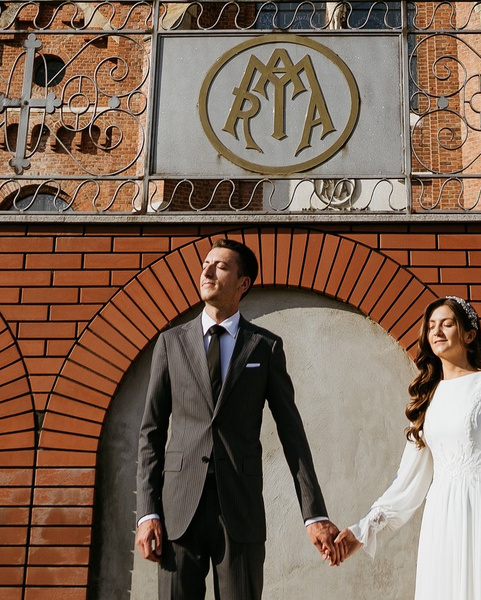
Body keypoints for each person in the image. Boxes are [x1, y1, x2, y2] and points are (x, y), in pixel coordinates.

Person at [137, 239, 341, 598]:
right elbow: (151, 433)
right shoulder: (171, 343)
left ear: (243, 283)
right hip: (178, 510)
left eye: (221, 266)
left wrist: (314, 515)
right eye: (205, 263)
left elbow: (292, 436)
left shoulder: (264, 346)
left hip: (240, 508)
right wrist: (147, 513)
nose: (207, 270)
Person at [328, 296, 481, 599]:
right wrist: (362, 532)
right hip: (442, 521)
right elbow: (407, 484)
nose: (437, 331)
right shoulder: (429, 400)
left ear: (469, 334)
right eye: (431, 327)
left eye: (447, 324)